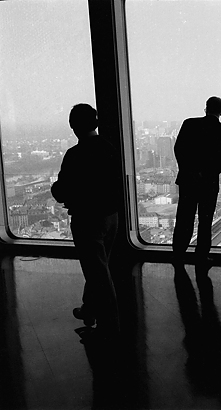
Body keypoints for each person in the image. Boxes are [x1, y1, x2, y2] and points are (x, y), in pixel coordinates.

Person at [51, 103, 121, 339]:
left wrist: (56, 189)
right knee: (99, 268)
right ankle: (89, 309)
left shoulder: (75, 154)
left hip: (87, 219)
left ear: (73, 126)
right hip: (111, 217)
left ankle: (110, 326)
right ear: (96, 122)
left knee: (97, 273)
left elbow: (62, 191)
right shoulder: (109, 148)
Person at [172, 96, 221, 271]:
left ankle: (178, 254)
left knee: (184, 218)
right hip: (209, 183)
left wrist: (190, 171)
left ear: (205, 108)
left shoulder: (189, 124)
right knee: (205, 222)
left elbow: (179, 149)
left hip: (188, 181)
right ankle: (202, 256)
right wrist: (207, 173)